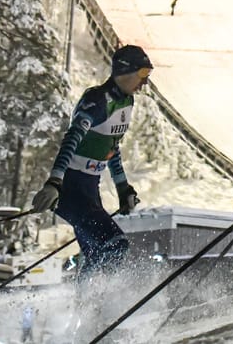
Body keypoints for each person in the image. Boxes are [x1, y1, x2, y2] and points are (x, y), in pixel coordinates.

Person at [30, 45, 152, 273]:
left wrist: (123, 189)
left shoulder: (127, 103)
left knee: (97, 255)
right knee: (115, 246)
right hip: (71, 189)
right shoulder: (97, 100)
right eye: (142, 74)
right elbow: (72, 139)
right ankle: (93, 303)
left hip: (90, 189)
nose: (144, 82)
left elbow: (112, 147)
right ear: (124, 72)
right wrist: (54, 182)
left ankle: (85, 305)